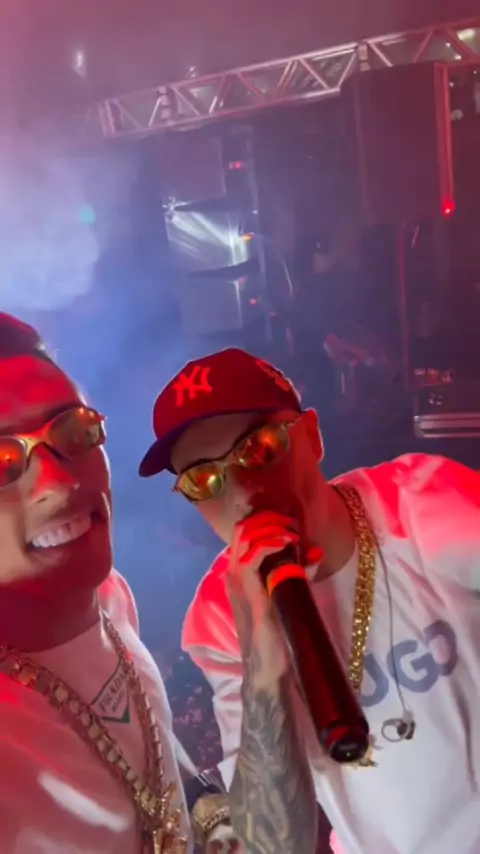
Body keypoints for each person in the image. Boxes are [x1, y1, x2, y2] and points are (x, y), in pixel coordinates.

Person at [139, 346, 480, 854]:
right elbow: (277, 846)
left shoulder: (421, 505)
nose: (243, 489)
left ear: (313, 436)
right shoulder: (219, 616)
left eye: (260, 447)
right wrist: (262, 660)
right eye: (204, 478)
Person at [0, 313, 235, 854]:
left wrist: (202, 801)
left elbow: (129, 733)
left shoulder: (109, 597)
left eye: (73, 430)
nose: (60, 480)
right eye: (3, 462)